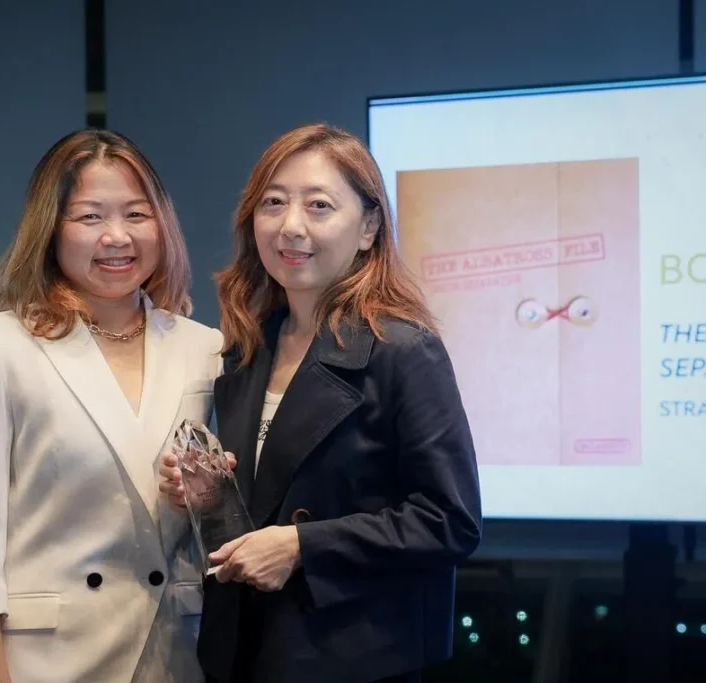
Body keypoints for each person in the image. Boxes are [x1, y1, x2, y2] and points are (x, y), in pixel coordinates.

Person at [159, 124, 483, 683]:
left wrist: (303, 546)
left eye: (319, 206)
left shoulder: (402, 349)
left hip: (356, 655)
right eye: (274, 203)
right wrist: (207, 494)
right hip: (247, 651)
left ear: (369, 227)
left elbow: (450, 521)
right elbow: (271, 498)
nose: (291, 226)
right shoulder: (247, 348)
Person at [0, 129, 222, 683]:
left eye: (136, 215)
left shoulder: (203, 347)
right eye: (90, 217)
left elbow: (222, 519)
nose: (117, 237)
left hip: (173, 654)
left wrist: (208, 494)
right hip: (45, 661)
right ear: (50, 229)